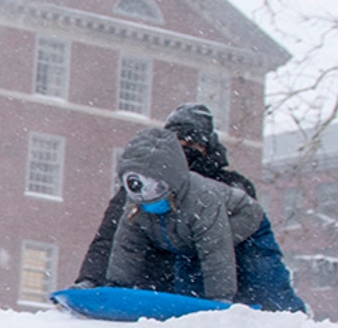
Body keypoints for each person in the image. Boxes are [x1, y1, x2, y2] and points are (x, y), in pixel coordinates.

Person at [104, 126, 306, 312]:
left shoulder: (201, 199)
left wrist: (220, 298)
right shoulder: (136, 206)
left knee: (263, 278)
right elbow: (127, 246)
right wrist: (117, 286)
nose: (147, 196)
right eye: (136, 186)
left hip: (244, 225)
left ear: (171, 180)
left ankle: (292, 315)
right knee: (189, 287)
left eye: (156, 187)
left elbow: (215, 250)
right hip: (191, 237)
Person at [75, 103, 257, 287]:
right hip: (149, 283)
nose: (186, 149)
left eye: (194, 143)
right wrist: (91, 279)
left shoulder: (229, 186)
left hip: (203, 285)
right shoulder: (144, 186)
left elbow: (240, 248)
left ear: (207, 146)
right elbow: (110, 237)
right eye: (179, 142)